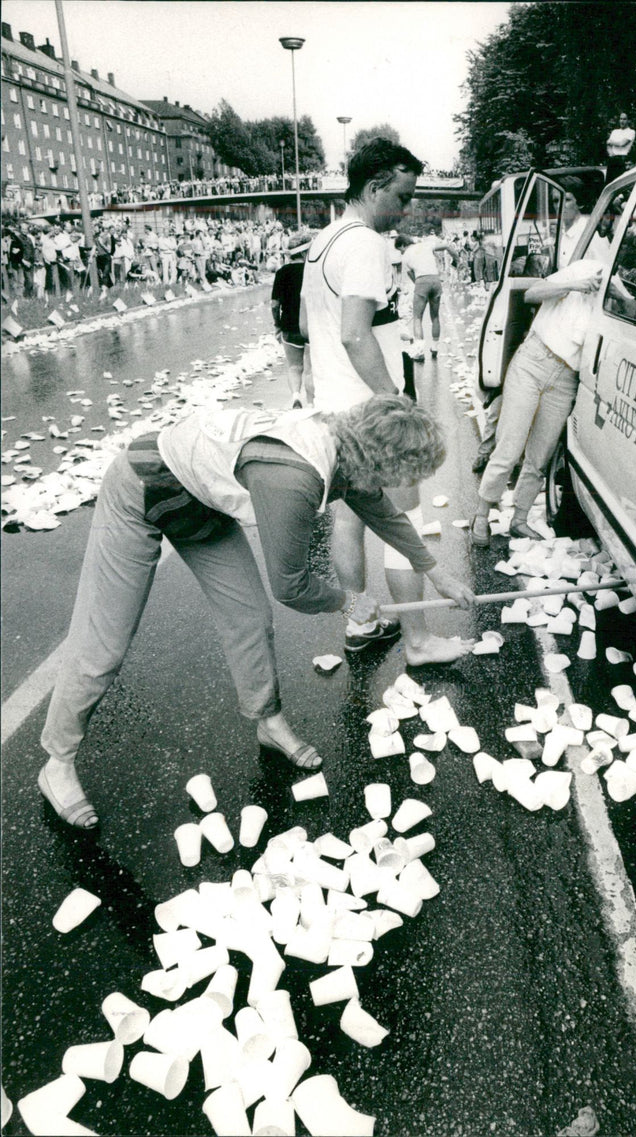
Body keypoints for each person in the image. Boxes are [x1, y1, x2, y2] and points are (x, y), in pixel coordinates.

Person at [37, 394, 475, 831]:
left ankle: (269, 722)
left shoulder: (349, 444)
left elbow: (378, 506)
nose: (401, 485)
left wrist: (434, 571)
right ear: (379, 463)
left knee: (249, 617)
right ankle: (57, 763)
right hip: (143, 485)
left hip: (199, 500)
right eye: (403, 476)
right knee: (104, 642)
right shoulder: (293, 480)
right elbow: (292, 586)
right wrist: (349, 602)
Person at [300, 138, 474, 664]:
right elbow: (356, 334)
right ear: (374, 187)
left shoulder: (323, 240)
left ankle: (360, 623)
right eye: (401, 196)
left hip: (335, 405)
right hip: (370, 411)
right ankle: (419, 641)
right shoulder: (364, 244)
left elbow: (311, 326)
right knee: (405, 518)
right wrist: (396, 400)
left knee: (351, 519)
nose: (406, 209)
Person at [470, 178, 609, 542]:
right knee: (510, 446)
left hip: (565, 378)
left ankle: (518, 519)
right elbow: (533, 292)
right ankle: (481, 516)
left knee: (540, 454)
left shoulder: (614, 292)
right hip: (533, 362)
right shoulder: (581, 271)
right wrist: (574, 286)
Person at [271, 235, 314, 409]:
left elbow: (274, 304)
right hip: (311, 327)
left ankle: (296, 397)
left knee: (294, 367)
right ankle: (311, 404)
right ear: (305, 251)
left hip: (289, 326)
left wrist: (277, 324)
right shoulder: (313, 271)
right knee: (311, 370)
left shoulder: (282, 272)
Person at [399, 230, 456, 359]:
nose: (401, 252)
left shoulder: (405, 256)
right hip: (435, 281)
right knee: (435, 316)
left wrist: (419, 286)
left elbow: (410, 275)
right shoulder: (426, 244)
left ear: (402, 245)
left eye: (400, 249)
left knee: (417, 317)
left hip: (421, 281)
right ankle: (435, 347)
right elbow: (447, 246)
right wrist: (457, 260)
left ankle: (419, 353)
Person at [605, 112, 636, 184]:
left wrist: (611, 142)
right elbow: (608, 145)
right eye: (621, 119)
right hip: (612, 159)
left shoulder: (631, 132)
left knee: (619, 183)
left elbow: (622, 143)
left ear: (628, 120)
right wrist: (611, 154)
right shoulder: (615, 132)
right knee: (609, 183)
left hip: (622, 160)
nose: (622, 121)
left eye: (624, 119)